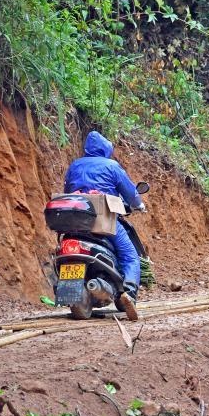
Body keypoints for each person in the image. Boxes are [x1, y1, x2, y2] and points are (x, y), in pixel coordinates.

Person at [63, 131, 144, 311]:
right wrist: (139, 204)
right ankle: (129, 293)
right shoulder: (112, 166)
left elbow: (67, 189)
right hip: (104, 220)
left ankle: (74, 291)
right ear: (106, 149)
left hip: (74, 222)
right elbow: (131, 193)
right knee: (130, 256)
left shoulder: (74, 165)